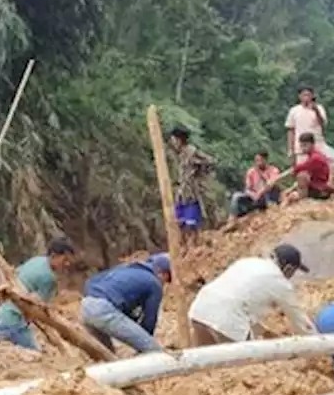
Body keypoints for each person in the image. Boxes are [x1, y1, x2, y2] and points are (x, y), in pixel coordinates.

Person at [187, 244, 315, 345]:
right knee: (245, 368)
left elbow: (236, 299)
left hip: (200, 309)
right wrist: (320, 345)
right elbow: (301, 322)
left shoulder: (247, 262)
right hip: (228, 321)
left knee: (206, 369)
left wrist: (264, 332)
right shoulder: (279, 282)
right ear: (288, 269)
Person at [0, 236, 76, 350]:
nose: (67, 264)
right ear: (54, 255)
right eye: (65, 260)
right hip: (15, 321)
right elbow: (41, 310)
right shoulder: (49, 278)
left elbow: (15, 275)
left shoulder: (36, 261)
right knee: (35, 354)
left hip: (2, 314)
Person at [79, 253, 172, 354]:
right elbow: (149, 320)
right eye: (166, 280)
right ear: (162, 274)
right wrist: (143, 341)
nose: (164, 284)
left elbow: (93, 281)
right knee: (152, 349)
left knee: (107, 355)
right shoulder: (155, 284)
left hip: (86, 305)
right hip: (103, 309)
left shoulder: (128, 268)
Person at [286, 87, 334, 183]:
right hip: (301, 147)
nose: (306, 97)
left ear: (312, 96)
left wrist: (315, 110)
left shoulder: (319, 108)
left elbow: (323, 123)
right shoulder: (294, 111)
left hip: (319, 143)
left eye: (308, 95)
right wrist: (290, 149)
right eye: (304, 95)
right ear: (299, 97)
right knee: (302, 173)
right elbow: (290, 130)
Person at [168, 126, 216, 241]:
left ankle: (195, 246)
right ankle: (186, 248)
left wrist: (198, 173)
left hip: (191, 193)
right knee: (180, 223)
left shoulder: (192, 151)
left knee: (192, 223)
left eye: (174, 140)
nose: (173, 143)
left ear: (179, 140)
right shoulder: (180, 154)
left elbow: (210, 161)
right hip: (181, 193)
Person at [284, 132, 334, 201]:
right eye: (301, 146)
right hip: (317, 186)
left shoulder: (315, 158)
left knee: (301, 176)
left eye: (305, 145)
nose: (303, 148)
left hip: (319, 189)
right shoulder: (314, 156)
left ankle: (302, 199)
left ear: (312, 144)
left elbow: (296, 169)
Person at [230, 151, 282, 217]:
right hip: (255, 198)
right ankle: (233, 217)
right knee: (236, 196)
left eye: (259, 160)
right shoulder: (251, 172)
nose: (257, 163)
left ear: (265, 160)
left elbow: (271, 184)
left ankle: (269, 206)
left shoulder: (273, 170)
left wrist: (260, 192)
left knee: (273, 189)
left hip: (268, 195)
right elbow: (247, 189)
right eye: (256, 160)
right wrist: (253, 195)